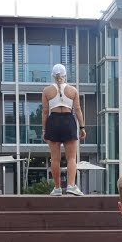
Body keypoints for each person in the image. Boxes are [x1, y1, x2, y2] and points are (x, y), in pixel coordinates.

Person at [42, 62, 86, 196]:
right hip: (68, 121)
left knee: (54, 159)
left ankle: (57, 188)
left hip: (53, 121)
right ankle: (71, 186)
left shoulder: (47, 90)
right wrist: (82, 127)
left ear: (53, 76)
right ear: (65, 75)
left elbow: (44, 111)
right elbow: (77, 110)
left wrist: (44, 130)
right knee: (71, 158)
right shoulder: (73, 90)